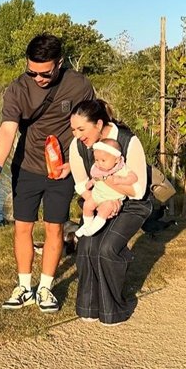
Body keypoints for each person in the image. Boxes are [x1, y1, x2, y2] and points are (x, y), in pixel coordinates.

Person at [0, 33, 95, 313]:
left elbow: (92, 126)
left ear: (59, 63)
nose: (38, 78)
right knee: (22, 227)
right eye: (32, 71)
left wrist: (77, 163)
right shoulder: (18, 88)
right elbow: (8, 128)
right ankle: (23, 286)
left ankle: (45, 288)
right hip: (27, 166)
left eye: (44, 73)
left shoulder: (78, 85)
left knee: (55, 227)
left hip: (63, 169)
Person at [67, 99, 152, 326]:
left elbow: (137, 190)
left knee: (106, 248)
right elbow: (81, 184)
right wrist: (100, 200)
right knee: (86, 246)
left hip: (134, 204)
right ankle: (88, 307)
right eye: (73, 129)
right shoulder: (77, 147)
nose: (77, 135)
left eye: (81, 129)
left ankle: (113, 309)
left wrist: (109, 188)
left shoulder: (128, 141)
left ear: (99, 124)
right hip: (99, 199)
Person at [74, 138, 138, 238]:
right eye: (96, 160)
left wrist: (120, 180)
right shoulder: (99, 169)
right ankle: (87, 224)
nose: (99, 163)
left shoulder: (121, 169)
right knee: (87, 205)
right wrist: (91, 183)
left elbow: (133, 178)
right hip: (97, 195)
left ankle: (93, 228)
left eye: (103, 160)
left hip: (111, 199)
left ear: (116, 159)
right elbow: (96, 178)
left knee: (105, 209)